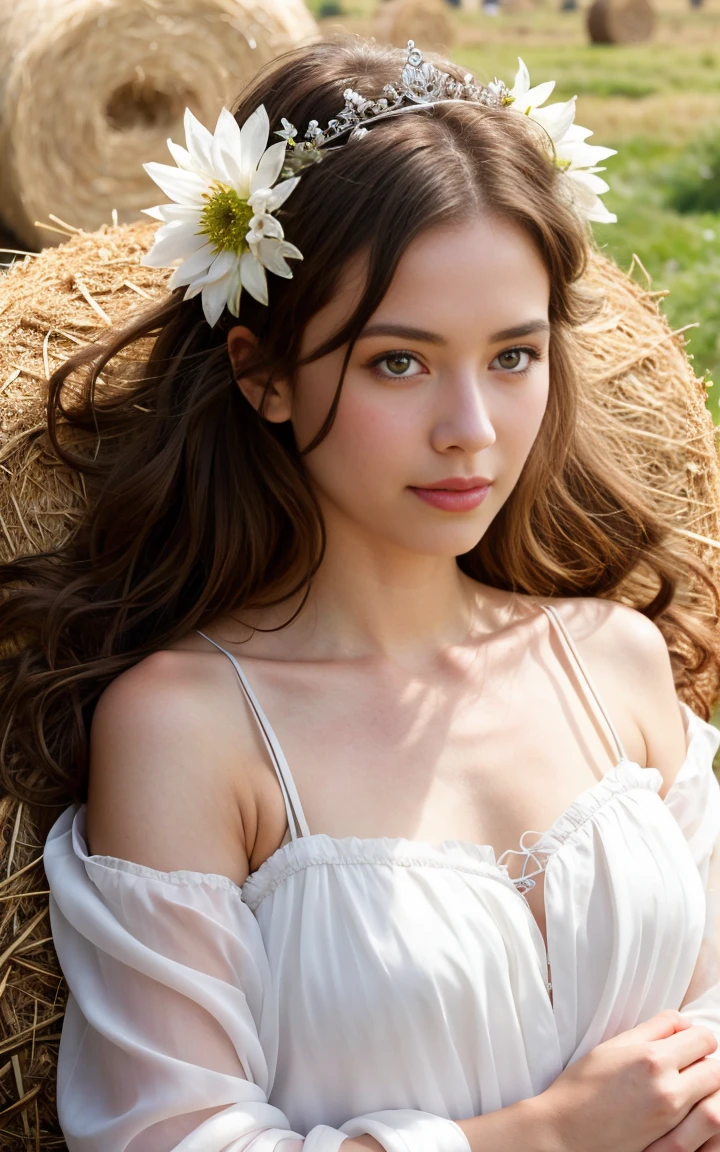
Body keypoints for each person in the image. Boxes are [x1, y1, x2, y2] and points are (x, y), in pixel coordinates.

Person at [4, 33, 720, 1152]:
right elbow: (175, 1138)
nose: (472, 433)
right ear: (262, 373)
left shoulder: (616, 665)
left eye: (512, 356)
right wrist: (546, 1136)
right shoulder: (188, 729)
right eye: (399, 360)